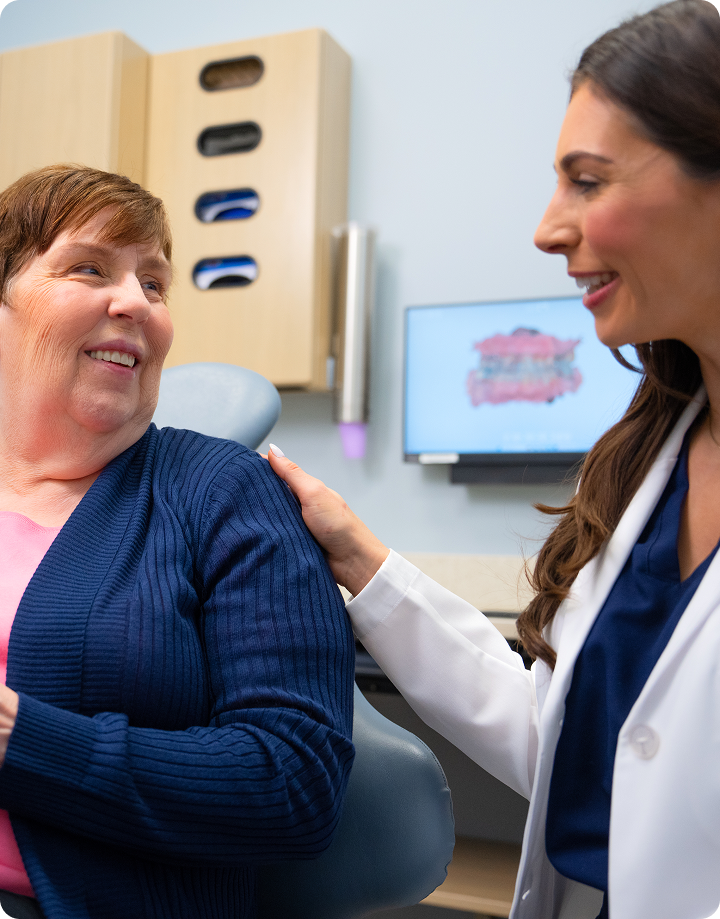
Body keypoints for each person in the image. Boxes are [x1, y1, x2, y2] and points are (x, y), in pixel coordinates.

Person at [267, 2, 720, 917]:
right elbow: (578, 751)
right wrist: (359, 556)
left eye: (588, 181)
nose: (549, 229)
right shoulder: (650, 462)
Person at [0, 164, 355, 919]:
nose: (136, 302)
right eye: (89, 267)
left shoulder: (219, 491)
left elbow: (295, 781)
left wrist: (20, 740)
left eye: (155, 285)